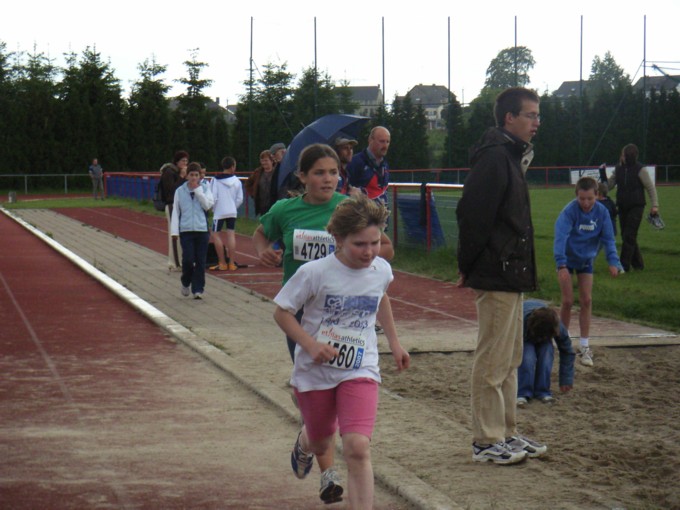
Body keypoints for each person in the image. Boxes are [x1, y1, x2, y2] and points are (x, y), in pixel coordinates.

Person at [253, 143, 394, 502]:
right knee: (319, 432)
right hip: (305, 317)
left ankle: (329, 475)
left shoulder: (349, 210)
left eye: (333, 172)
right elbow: (260, 236)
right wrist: (263, 252)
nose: (328, 178)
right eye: (319, 172)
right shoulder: (287, 210)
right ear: (302, 176)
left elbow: (382, 273)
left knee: (358, 445)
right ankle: (311, 444)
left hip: (356, 347)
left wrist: (368, 250)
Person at [273, 195, 410, 508]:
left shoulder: (381, 270)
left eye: (375, 243)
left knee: (357, 447)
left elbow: (381, 298)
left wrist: (394, 342)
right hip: (315, 371)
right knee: (322, 439)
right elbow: (281, 312)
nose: (369, 252)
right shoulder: (315, 273)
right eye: (360, 244)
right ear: (338, 239)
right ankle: (304, 444)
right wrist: (309, 345)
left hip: (360, 367)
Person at [456, 87, 546, 465]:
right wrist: (468, 266)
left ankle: (506, 432)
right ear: (509, 118)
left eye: (538, 116)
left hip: (512, 274)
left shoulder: (512, 157)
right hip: (496, 272)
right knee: (493, 360)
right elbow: (472, 214)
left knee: (509, 359)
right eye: (530, 115)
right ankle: (486, 440)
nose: (536, 123)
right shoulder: (495, 159)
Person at [554, 176, 621, 367]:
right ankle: (563, 343)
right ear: (576, 196)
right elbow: (560, 237)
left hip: (586, 260)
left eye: (589, 199)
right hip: (566, 259)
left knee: (587, 300)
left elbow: (608, 238)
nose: (585, 203)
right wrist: (561, 265)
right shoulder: (569, 212)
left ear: (597, 195)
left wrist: (613, 261)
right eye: (581, 199)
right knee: (567, 301)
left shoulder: (602, 213)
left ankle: (584, 345)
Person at [606, 143, 660, 272]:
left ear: (629, 156)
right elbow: (610, 184)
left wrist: (655, 205)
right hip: (622, 206)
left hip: (637, 206)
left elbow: (650, 188)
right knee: (627, 236)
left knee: (629, 235)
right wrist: (598, 188)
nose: (621, 156)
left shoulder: (641, 170)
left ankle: (623, 266)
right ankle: (638, 264)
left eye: (623, 154)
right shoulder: (618, 168)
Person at [517, 300, 575, 406]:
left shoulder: (557, 326)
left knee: (546, 355)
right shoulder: (519, 324)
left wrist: (566, 379)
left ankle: (542, 391)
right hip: (526, 335)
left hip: (540, 331)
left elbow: (567, 351)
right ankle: (522, 392)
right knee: (527, 358)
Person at [170, 162, 214, 299]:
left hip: (201, 230)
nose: (194, 178)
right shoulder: (180, 191)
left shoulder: (205, 189)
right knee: (188, 259)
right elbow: (176, 212)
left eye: (196, 175)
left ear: (200, 176)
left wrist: (198, 191)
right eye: (191, 175)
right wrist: (174, 232)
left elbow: (207, 206)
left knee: (200, 260)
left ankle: (198, 289)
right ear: (187, 176)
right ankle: (185, 281)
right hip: (186, 230)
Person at [209, 157, 243, 271]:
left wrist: (213, 208)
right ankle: (232, 263)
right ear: (232, 166)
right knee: (231, 234)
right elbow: (240, 198)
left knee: (215, 234)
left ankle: (222, 263)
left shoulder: (215, 180)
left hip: (219, 211)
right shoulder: (237, 181)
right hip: (232, 211)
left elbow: (213, 196)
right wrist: (233, 206)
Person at [346, 126, 391, 207]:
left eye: (387, 142)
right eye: (382, 141)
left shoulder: (385, 164)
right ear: (370, 140)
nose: (385, 146)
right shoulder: (355, 162)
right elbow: (346, 191)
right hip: (361, 217)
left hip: (380, 217)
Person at [160, 151, 189, 270]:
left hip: (180, 206)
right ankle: (176, 263)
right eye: (183, 161)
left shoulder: (178, 172)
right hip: (172, 205)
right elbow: (172, 191)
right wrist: (182, 177)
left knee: (180, 233)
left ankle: (179, 260)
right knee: (175, 233)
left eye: (187, 161)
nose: (185, 163)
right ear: (177, 161)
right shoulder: (169, 172)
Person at [597, 182, 625, 274]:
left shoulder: (598, 205)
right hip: (612, 229)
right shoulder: (610, 201)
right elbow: (615, 212)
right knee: (609, 249)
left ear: (598, 193)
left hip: (602, 231)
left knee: (594, 249)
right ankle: (619, 268)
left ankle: (585, 265)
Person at [245, 150, 277, 216]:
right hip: (262, 205)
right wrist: (253, 194)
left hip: (275, 204)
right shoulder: (258, 172)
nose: (264, 163)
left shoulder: (277, 172)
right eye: (262, 161)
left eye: (266, 160)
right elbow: (248, 184)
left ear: (271, 161)